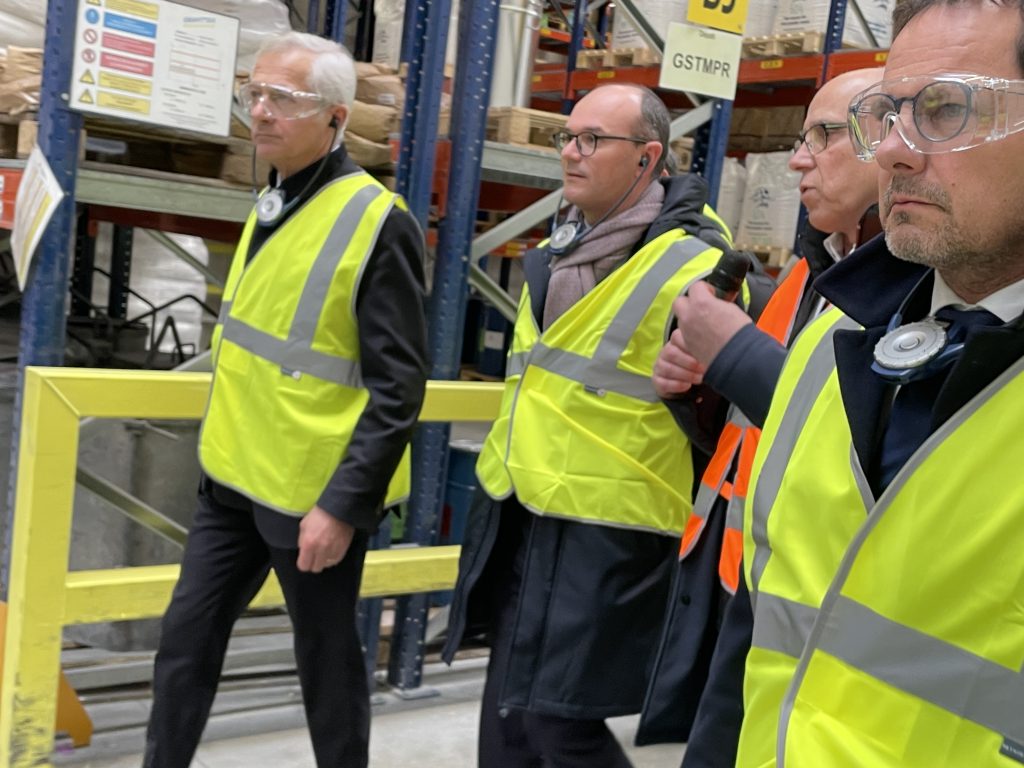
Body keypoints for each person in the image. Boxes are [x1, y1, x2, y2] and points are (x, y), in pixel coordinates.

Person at [736, 0, 1024, 765]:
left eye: (946, 109)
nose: (893, 152)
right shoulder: (833, 334)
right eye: (888, 115)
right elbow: (762, 630)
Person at [441, 83, 755, 767]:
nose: (571, 154)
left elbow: (722, 413)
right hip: (523, 505)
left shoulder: (695, 264)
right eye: (567, 138)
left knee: (560, 726)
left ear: (647, 158)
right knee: (509, 721)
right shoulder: (563, 245)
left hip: (612, 525)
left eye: (592, 140)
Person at [143, 32, 428, 768]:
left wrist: (342, 507)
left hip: (311, 495)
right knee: (184, 646)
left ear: (334, 118)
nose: (260, 112)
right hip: (232, 480)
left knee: (326, 669)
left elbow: (398, 390)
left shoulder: (375, 221)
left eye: (282, 99)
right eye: (253, 94)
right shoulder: (271, 199)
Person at [637, 68, 884, 766]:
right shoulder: (807, 274)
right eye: (801, 138)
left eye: (825, 136)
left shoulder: (908, 292)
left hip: (821, 607)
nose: (800, 158)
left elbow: (858, 438)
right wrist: (700, 394)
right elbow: (758, 432)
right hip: (740, 582)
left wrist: (736, 352)